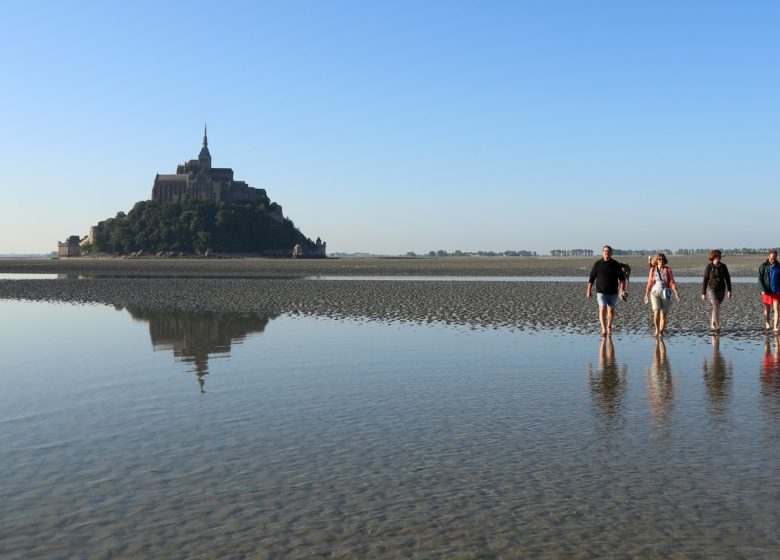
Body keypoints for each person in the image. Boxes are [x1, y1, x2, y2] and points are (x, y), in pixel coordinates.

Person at [586, 245, 627, 336]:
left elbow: (622, 279)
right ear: (602, 253)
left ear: (611, 253)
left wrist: (622, 290)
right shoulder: (598, 264)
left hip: (613, 292)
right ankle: (604, 329)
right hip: (601, 291)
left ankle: (609, 326)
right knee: (602, 308)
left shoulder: (616, 264)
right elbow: (592, 278)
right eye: (605, 251)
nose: (606, 252)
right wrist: (589, 290)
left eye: (608, 251)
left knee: (611, 310)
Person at [643, 252, 681, 336]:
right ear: (656, 260)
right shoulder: (653, 270)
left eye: (662, 259)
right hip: (654, 293)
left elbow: (672, 282)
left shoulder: (667, 270)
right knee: (656, 313)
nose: (661, 261)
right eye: (659, 259)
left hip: (665, 293)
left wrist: (676, 293)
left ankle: (661, 331)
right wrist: (646, 294)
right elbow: (649, 282)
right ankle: (657, 330)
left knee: (663, 314)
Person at [701, 249, 732, 333]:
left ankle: (712, 324)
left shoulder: (723, 266)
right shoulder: (708, 267)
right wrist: (703, 293)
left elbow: (727, 278)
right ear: (713, 257)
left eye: (719, 256)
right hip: (711, 289)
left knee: (717, 307)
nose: (718, 257)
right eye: (717, 256)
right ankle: (717, 325)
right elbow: (705, 280)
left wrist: (729, 290)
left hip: (721, 289)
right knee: (716, 305)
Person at [758, 249, 780, 332]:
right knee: (767, 309)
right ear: (768, 257)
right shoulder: (763, 266)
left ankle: (775, 326)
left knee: (776, 309)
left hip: (776, 291)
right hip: (766, 291)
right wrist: (762, 289)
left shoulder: (779, 266)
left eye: (774, 259)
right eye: (771, 259)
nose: (772, 260)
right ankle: (767, 323)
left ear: (776, 257)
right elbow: (760, 279)